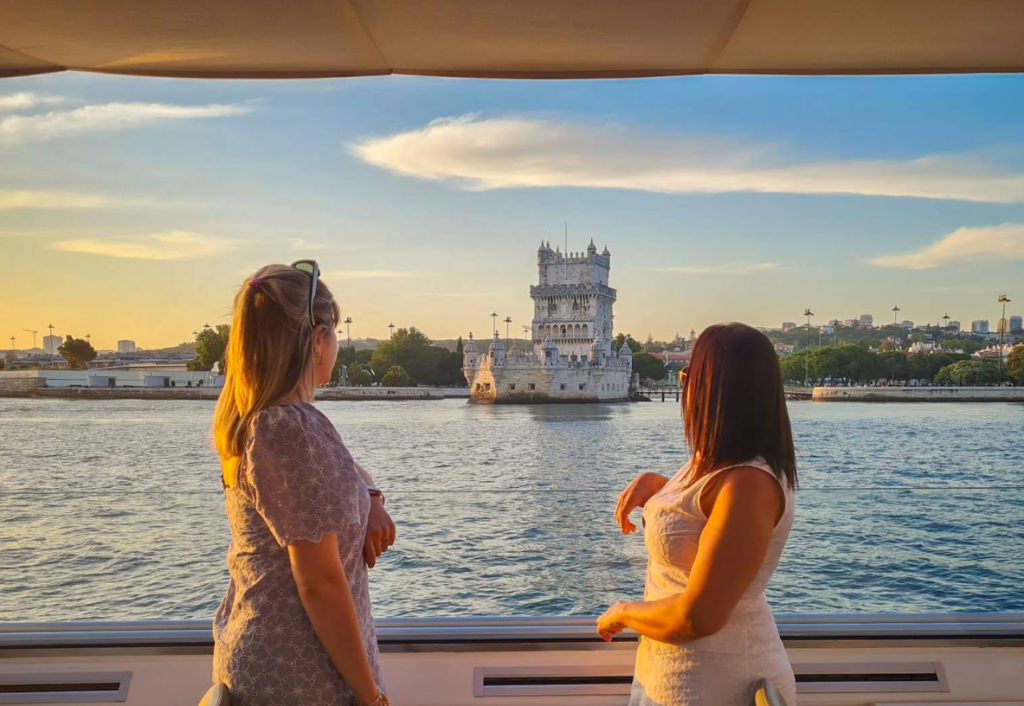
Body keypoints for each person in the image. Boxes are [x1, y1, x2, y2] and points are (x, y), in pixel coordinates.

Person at [211, 261, 395, 706]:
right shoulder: (291, 428)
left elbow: (345, 471)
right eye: (335, 335)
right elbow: (319, 583)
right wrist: (372, 698)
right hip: (299, 676)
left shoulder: (257, 421)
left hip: (260, 660)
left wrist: (370, 497)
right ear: (317, 341)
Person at [597, 322, 797, 705]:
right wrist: (658, 487)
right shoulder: (715, 467)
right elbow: (699, 516)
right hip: (673, 674)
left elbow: (698, 618)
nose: (683, 380)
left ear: (720, 388)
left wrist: (622, 613)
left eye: (692, 372)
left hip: (720, 685)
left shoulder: (748, 485)